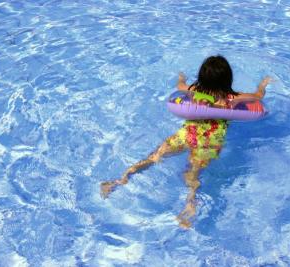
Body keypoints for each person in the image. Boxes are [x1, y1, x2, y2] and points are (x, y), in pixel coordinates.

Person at [100, 55, 272, 228]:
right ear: (228, 78)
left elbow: (179, 86)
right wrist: (263, 85)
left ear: (202, 77)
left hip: (187, 134)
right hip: (209, 141)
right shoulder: (232, 98)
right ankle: (190, 204)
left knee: (154, 156)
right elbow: (258, 96)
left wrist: (182, 77)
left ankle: (119, 181)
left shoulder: (194, 91)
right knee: (193, 174)